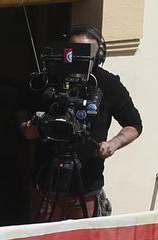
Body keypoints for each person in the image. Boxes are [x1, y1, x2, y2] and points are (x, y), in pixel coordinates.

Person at [17, 25, 141, 219]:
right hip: (46, 185)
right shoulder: (46, 80)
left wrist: (112, 145)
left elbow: (134, 124)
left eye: (87, 53)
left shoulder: (108, 84)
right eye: (75, 51)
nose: (80, 58)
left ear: (99, 55)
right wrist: (28, 128)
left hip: (86, 186)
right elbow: (22, 109)